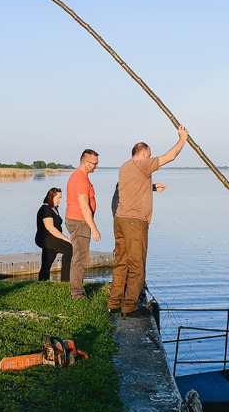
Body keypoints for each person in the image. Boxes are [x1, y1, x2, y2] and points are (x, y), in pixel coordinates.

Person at [106, 125, 189, 317]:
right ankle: (130, 307)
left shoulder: (125, 166)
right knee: (137, 266)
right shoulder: (143, 165)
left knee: (122, 264)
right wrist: (182, 139)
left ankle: (114, 304)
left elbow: (131, 188)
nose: (151, 159)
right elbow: (170, 157)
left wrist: (151, 187)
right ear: (143, 155)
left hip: (120, 220)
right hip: (135, 222)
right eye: (149, 155)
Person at [64, 149, 101, 300]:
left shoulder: (81, 177)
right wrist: (94, 229)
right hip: (79, 221)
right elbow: (84, 207)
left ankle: (78, 290)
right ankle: (77, 294)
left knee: (80, 256)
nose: (96, 166)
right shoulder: (80, 179)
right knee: (80, 258)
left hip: (78, 220)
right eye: (94, 163)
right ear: (85, 162)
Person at [35, 187, 74, 282]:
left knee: (47, 262)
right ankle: (65, 280)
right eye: (58, 198)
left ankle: (42, 282)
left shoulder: (53, 208)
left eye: (61, 198)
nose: (60, 200)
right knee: (68, 248)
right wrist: (66, 239)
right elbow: (50, 228)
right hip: (45, 238)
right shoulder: (46, 209)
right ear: (51, 197)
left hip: (51, 238)